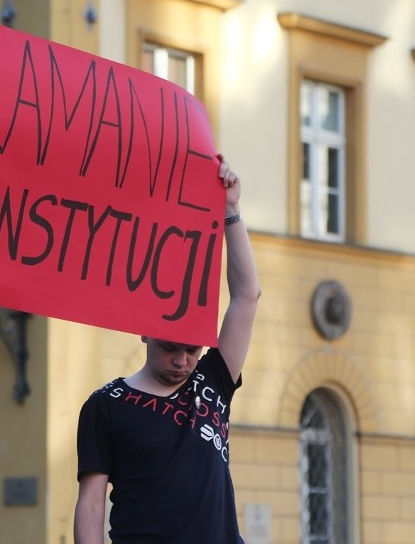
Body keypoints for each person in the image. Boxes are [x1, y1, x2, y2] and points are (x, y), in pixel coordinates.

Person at [74, 156, 261, 544]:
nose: (182, 361)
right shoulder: (106, 405)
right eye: (170, 349)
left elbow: (247, 296)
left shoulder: (212, 381)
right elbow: (91, 503)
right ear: (145, 333)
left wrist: (231, 212)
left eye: (192, 350)